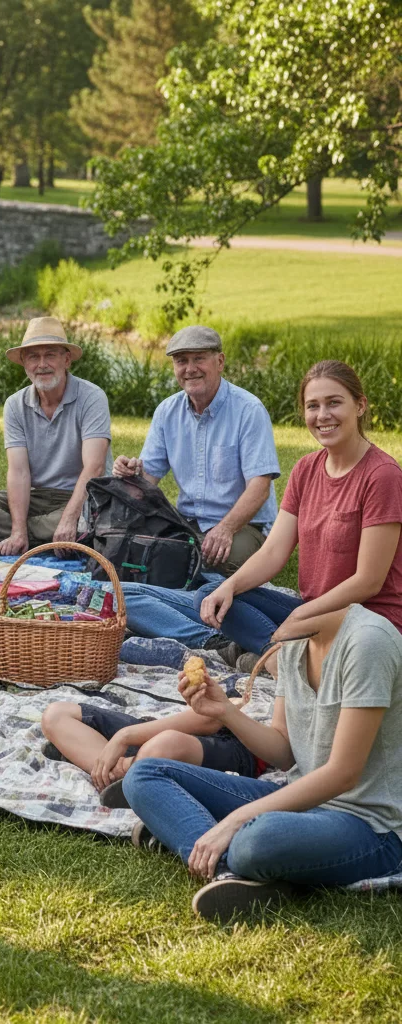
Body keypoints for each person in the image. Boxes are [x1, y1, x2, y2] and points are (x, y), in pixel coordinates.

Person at [123, 605, 402, 922]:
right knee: (144, 774)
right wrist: (225, 712)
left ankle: (192, 836)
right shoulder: (294, 638)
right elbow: (284, 750)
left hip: (372, 828)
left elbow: (343, 775)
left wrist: (235, 821)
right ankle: (231, 874)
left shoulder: (369, 642)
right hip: (301, 803)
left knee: (254, 839)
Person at [198, 360, 402, 655]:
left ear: (360, 406)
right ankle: (284, 656)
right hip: (313, 609)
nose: (322, 416)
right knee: (211, 596)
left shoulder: (382, 475)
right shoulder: (305, 469)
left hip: (370, 621)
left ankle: (276, 656)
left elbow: (368, 581)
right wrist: (229, 587)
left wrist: (301, 618)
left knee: (297, 629)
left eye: (334, 403)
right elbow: (272, 552)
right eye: (313, 406)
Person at [111, 325, 280, 656]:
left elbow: (259, 487)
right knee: (121, 585)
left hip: (245, 527)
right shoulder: (167, 411)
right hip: (188, 527)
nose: (189, 369)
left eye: (198, 358)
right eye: (181, 361)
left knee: (196, 573)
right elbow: (148, 480)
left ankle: (193, 609)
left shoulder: (248, 410)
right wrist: (129, 473)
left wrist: (226, 528)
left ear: (220, 361)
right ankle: (213, 634)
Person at [0, 317, 111, 553]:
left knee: (90, 520)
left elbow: (94, 468)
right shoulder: (15, 405)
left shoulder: (92, 397)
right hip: (36, 498)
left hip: (81, 498)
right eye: (33, 357)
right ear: (23, 363)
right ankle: (42, 538)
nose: (42, 364)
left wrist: (69, 519)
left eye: (50, 355)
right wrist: (18, 528)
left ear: (67, 360)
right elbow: (19, 471)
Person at [40, 694, 262, 809]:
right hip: (175, 731)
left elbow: (215, 717)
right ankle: (120, 772)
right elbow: (207, 715)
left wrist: (124, 736)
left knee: (166, 743)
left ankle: (123, 771)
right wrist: (129, 734)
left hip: (238, 746)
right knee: (56, 714)